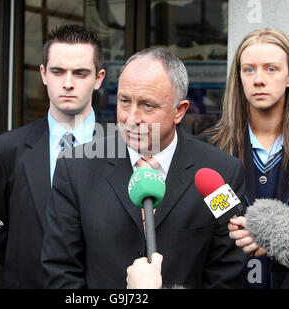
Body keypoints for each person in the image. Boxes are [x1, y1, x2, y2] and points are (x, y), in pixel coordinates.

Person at [41, 47, 247, 288]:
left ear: (179, 111)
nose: (131, 118)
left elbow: (226, 274)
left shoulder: (220, 172)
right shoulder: (75, 168)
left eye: (147, 106)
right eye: (124, 101)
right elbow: (61, 271)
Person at [201, 29, 289, 289]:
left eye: (271, 69)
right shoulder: (208, 149)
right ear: (239, 77)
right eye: (249, 70)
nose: (258, 80)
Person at [0, 24, 106, 288]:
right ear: (43, 74)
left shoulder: (122, 148)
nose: (68, 83)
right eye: (58, 71)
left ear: (98, 79)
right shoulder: (9, 148)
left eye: (80, 73)